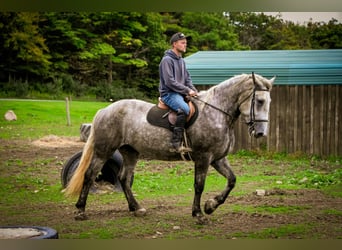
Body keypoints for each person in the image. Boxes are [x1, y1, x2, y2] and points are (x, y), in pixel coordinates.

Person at [159, 32, 198, 153]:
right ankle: (175, 143)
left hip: (180, 93)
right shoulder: (167, 60)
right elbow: (169, 82)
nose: (185, 44)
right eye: (182, 42)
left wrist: (194, 91)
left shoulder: (181, 61)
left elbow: (187, 79)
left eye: (185, 42)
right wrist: (187, 90)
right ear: (174, 44)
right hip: (169, 94)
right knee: (185, 110)